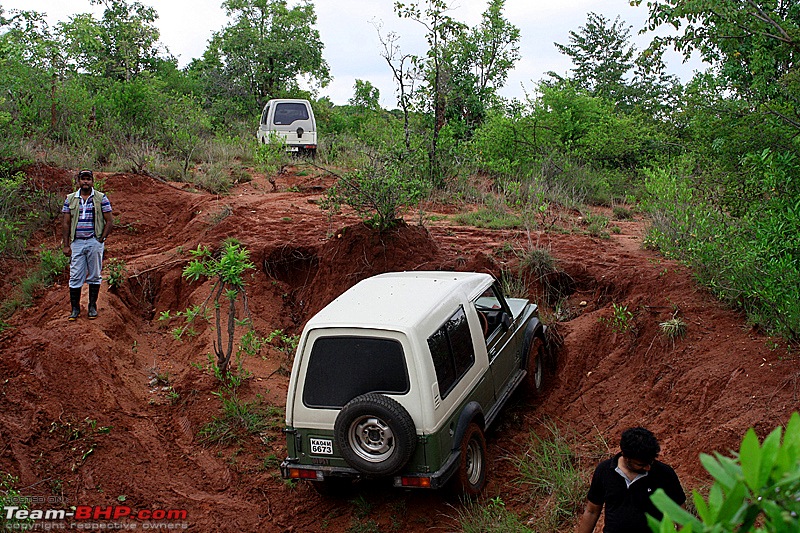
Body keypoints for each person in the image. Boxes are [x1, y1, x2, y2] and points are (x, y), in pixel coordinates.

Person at [576, 426, 686, 533]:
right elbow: (592, 512)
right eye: (641, 464)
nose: (648, 468)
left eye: (650, 462)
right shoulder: (604, 471)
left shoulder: (664, 473)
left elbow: (681, 514)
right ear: (625, 456)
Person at [61, 169, 113, 320]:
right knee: (75, 276)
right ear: (78, 181)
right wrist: (66, 245)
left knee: (95, 275)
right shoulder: (70, 199)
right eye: (83, 179)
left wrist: (101, 239)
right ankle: (75, 309)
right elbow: (66, 223)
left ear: (92, 181)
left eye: (88, 179)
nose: (85, 182)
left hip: (93, 241)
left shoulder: (101, 198)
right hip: (77, 242)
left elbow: (109, 221)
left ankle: (92, 306)